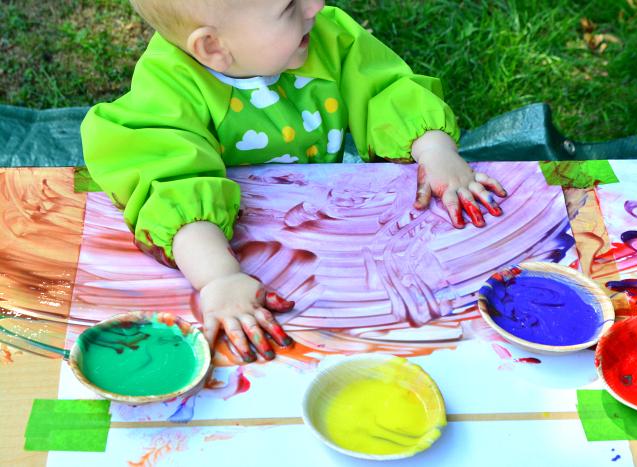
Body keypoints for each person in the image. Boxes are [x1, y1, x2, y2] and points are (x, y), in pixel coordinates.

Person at [81, 0, 507, 363]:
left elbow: (386, 90)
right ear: (213, 46)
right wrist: (218, 278)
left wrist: (435, 151)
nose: (316, 5)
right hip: (253, 253)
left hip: (337, 235)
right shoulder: (169, 91)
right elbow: (170, 182)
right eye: (289, 6)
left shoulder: (325, 35)